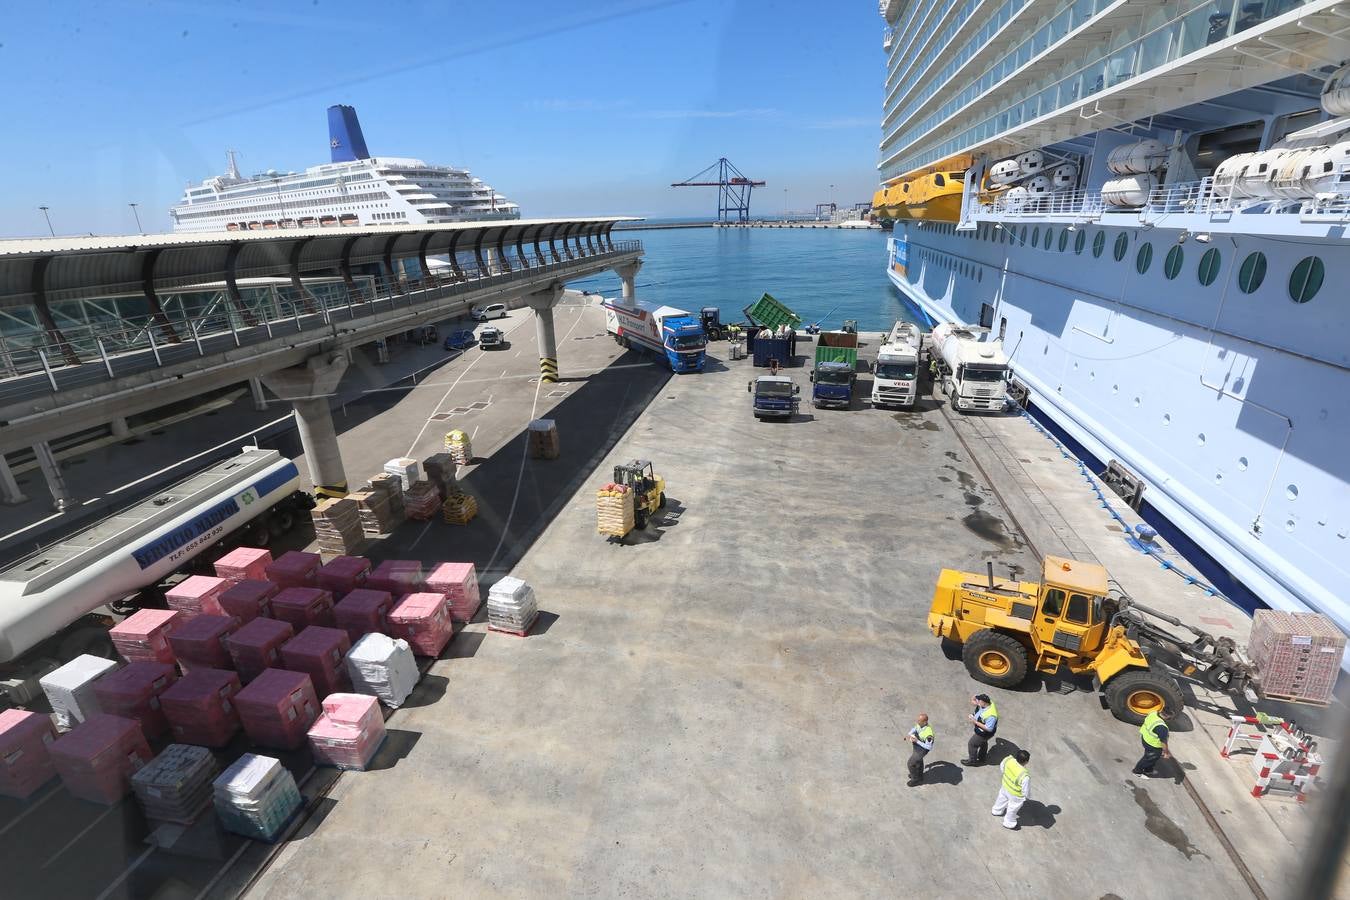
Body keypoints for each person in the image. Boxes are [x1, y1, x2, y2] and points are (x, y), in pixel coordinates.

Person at [992, 749, 1031, 829]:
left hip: (1005, 786)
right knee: (1012, 808)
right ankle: (1009, 822)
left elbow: (1002, 767)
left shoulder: (1008, 760)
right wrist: (1026, 797)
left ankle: (996, 811)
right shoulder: (1024, 775)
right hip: (1015, 795)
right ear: (1026, 762)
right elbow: (1025, 790)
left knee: (1001, 798)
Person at [962, 694, 998, 766]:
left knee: (972, 744)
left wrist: (975, 722)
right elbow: (975, 703)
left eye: (979, 701)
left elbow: (989, 728)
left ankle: (972, 761)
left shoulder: (991, 715)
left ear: (984, 703)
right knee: (983, 743)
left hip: (984, 733)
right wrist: (973, 699)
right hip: (983, 733)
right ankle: (982, 758)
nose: (977, 702)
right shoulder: (988, 703)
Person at [1132, 709, 1170, 778]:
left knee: (1153, 758)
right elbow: (1163, 742)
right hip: (1153, 745)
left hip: (1145, 737)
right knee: (1148, 758)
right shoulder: (1162, 727)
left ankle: (1148, 770)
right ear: (1167, 716)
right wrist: (1166, 753)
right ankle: (1137, 771)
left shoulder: (1153, 713)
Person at [905, 713, 935, 787]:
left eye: (919, 721)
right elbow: (915, 728)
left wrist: (917, 741)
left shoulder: (929, 734)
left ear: (925, 722)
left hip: (922, 749)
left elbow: (929, 747)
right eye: (918, 720)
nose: (917, 722)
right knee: (918, 761)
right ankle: (919, 775)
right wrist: (909, 734)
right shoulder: (920, 725)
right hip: (917, 745)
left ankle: (915, 779)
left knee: (911, 764)